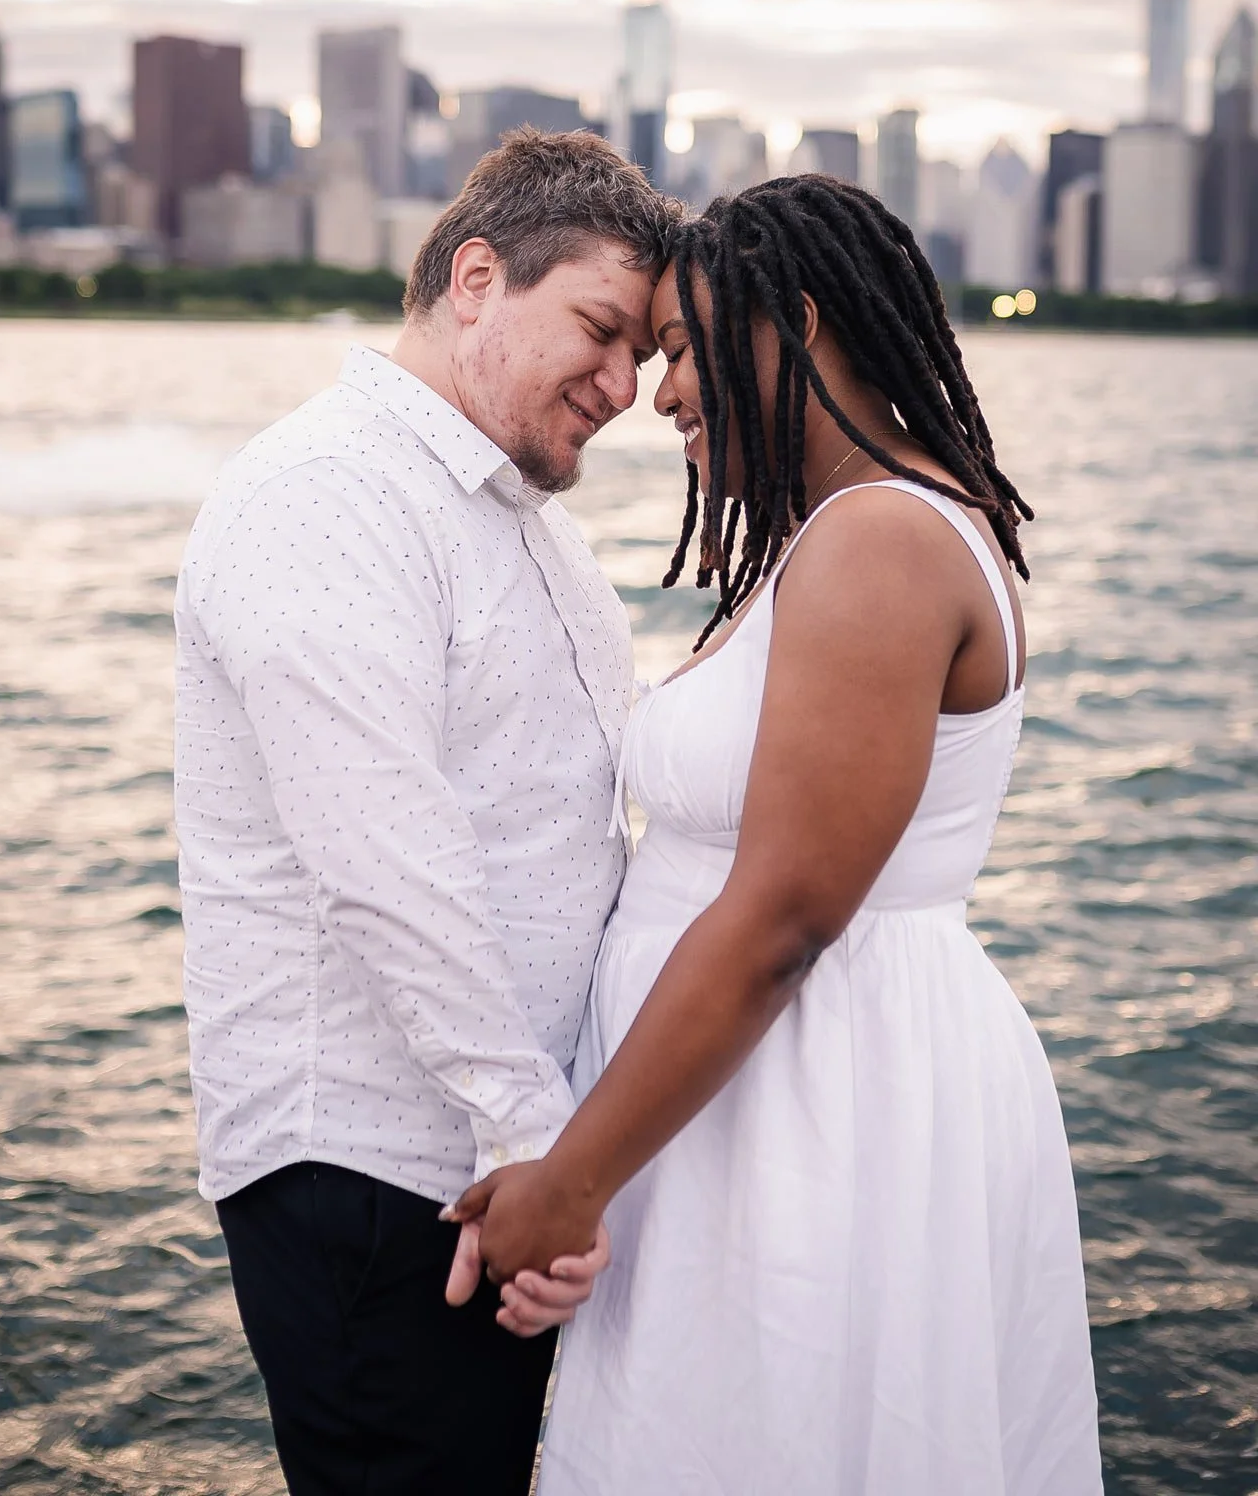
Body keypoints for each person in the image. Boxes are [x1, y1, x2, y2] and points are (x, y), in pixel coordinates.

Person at [450, 176, 1104, 1494]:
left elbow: (786, 921)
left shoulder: (879, 546)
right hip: (743, 1099)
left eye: (686, 348)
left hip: (818, 1102)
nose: (663, 393)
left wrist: (571, 1182)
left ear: (797, 324)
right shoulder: (831, 538)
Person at [173, 128, 680, 1495]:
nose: (626, 385)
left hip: (501, 1170)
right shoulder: (329, 496)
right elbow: (387, 864)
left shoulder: (524, 519)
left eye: (643, 352)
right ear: (474, 279)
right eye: (598, 328)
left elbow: (566, 835)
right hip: (382, 1179)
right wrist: (535, 1146)